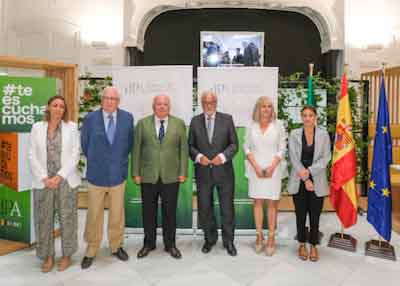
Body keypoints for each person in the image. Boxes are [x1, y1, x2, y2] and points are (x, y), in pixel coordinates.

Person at [80, 86, 134, 269]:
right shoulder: (90, 119)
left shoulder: (127, 118)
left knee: (117, 214)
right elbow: (85, 145)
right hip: (96, 175)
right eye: (107, 98)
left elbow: (129, 145)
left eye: (114, 99)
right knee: (94, 214)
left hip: (118, 174)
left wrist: (117, 161)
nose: (110, 101)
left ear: (118, 101)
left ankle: (115, 245)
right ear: (101, 99)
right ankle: (91, 248)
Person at [28, 95, 80, 273]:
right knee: (44, 219)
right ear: (48, 107)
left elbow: (75, 154)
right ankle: (47, 256)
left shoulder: (72, 128)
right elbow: (31, 155)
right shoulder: (37, 127)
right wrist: (44, 177)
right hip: (43, 182)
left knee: (68, 218)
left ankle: (66, 255)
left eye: (62, 107)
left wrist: (59, 176)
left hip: (65, 179)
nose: (58, 109)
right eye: (55, 105)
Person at [132, 95, 188, 259]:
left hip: (171, 176)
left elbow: (183, 150)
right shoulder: (142, 124)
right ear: (153, 106)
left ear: (169, 106)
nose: (162, 107)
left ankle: (170, 244)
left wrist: (183, 172)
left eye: (165, 104)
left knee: (169, 212)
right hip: (148, 176)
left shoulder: (179, 123)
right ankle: (148, 243)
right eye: (159, 104)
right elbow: (136, 150)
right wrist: (135, 173)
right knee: (148, 212)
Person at [188, 91, 239, 256]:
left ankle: (228, 241)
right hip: (203, 173)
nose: (209, 105)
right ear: (201, 104)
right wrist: (199, 156)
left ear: (216, 103)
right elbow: (190, 146)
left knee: (227, 209)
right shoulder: (195, 121)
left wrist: (223, 157)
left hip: (224, 173)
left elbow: (234, 144)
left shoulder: (227, 119)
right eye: (205, 102)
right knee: (205, 208)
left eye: (211, 102)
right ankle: (209, 239)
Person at [244, 96, 287, 256]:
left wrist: (272, 166)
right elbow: (246, 148)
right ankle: (258, 235)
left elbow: (282, 148)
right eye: (263, 106)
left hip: (273, 170)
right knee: (257, 202)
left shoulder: (279, 125)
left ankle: (271, 237)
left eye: (269, 106)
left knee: (272, 204)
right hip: (255, 169)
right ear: (258, 108)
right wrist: (255, 167)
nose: (267, 109)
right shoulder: (251, 125)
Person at [288, 105, 331, 262]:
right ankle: (301, 244)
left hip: (317, 179)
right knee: (300, 215)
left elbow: (326, 157)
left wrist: (310, 172)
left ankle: (313, 245)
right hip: (299, 179)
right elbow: (293, 157)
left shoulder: (324, 134)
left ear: (315, 117)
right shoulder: (294, 134)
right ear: (301, 117)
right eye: (305, 115)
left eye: (311, 115)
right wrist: (305, 179)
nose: (307, 118)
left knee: (315, 216)